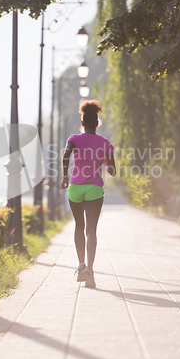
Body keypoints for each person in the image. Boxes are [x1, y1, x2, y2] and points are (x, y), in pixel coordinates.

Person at [61, 100, 116, 288]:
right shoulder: (105, 143)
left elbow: (65, 155)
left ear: (83, 122)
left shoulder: (74, 139)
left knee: (78, 226)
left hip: (75, 187)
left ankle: (80, 265)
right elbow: (112, 169)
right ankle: (90, 270)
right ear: (97, 123)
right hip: (94, 189)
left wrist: (65, 177)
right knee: (91, 229)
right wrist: (108, 167)